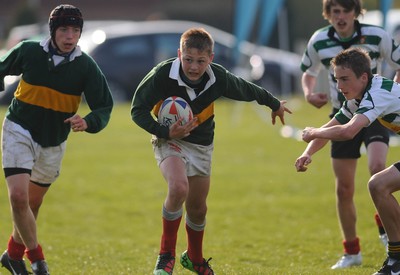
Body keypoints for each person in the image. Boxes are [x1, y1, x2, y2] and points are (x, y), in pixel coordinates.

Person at [131, 27, 291, 275]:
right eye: (188, 60)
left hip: (202, 145)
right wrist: (165, 132)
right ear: (179, 54)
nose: (194, 67)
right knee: (178, 188)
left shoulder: (218, 78)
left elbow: (246, 88)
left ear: (211, 58)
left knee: (198, 208)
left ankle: (194, 259)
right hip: (169, 140)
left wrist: (273, 104)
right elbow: (137, 109)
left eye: (200, 61)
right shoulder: (162, 75)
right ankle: (165, 257)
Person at [0, 4, 113, 275]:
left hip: (53, 140)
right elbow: (2, 67)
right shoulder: (29, 51)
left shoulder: (85, 66)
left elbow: (104, 106)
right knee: (18, 197)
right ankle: (38, 260)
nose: (70, 36)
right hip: (19, 128)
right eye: (64, 29)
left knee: (32, 204)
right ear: (53, 30)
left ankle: (13, 256)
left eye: (75, 30)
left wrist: (88, 121)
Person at [300, 0, 400, 269]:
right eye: (336, 79)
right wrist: (307, 152)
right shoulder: (357, 99)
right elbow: (336, 123)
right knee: (378, 184)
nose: (338, 84)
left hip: (367, 116)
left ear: (364, 77)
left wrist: (311, 131)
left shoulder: (375, 94)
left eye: (344, 79)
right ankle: (394, 258)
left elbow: (346, 131)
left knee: (378, 179)